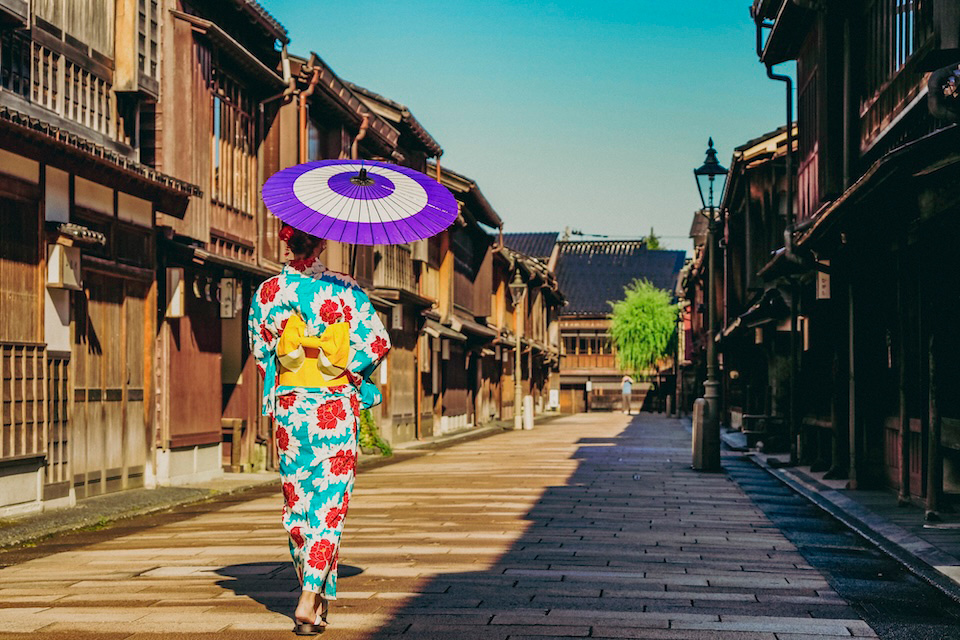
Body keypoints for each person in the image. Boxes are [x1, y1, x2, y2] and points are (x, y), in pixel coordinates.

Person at [248, 224, 390, 635]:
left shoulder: (268, 293)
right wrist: (346, 369)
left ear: (285, 241)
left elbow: (262, 355)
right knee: (330, 502)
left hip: (291, 408)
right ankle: (310, 596)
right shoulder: (346, 289)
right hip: (333, 406)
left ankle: (318, 604)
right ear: (323, 242)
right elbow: (377, 343)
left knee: (299, 504)